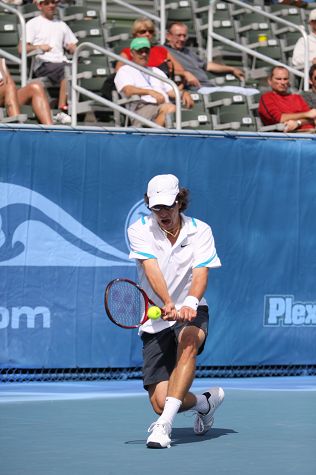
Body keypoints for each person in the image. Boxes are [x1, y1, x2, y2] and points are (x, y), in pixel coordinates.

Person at [127, 174, 224, 449]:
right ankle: (204, 403)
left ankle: (164, 426)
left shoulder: (200, 230)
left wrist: (190, 303)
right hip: (156, 317)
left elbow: (200, 274)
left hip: (192, 311)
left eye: (168, 206)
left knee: (189, 341)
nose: (163, 213)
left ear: (179, 202)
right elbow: (151, 268)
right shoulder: (139, 230)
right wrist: (167, 303)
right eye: (156, 207)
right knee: (160, 401)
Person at [18, 0, 78, 123]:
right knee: (67, 70)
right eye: (47, 2)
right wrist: (39, 47)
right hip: (43, 63)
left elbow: (72, 45)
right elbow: (21, 48)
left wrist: (73, 48)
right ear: (40, 5)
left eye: (54, 2)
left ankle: (70, 109)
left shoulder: (61, 24)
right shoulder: (33, 24)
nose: (51, 5)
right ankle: (63, 109)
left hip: (61, 63)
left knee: (74, 68)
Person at [114, 38, 193, 128]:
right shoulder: (125, 70)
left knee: (189, 114)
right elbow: (128, 90)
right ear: (132, 53)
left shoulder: (156, 71)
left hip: (163, 106)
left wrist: (183, 94)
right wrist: (150, 92)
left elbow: (171, 91)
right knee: (171, 109)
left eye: (146, 51)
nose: (144, 54)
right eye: (140, 51)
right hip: (141, 108)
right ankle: (155, 137)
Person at [115, 17, 195, 87]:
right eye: (143, 31)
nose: (147, 34)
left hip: (164, 87)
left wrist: (184, 74)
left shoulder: (161, 50)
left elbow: (179, 70)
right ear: (135, 34)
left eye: (150, 31)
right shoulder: (128, 52)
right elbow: (119, 73)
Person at [165, 22, 245, 90]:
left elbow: (207, 65)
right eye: (178, 35)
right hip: (195, 89)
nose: (182, 39)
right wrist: (185, 73)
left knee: (251, 92)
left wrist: (231, 69)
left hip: (209, 87)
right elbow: (162, 70)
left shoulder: (188, 51)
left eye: (184, 36)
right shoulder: (161, 50)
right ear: (168, 36)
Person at [258, 65, 316, 132]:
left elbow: (312, 117)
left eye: (285, 79)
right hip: (287, 136)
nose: (283, 82)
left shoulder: (297, 98)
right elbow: (280, 118)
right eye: (278, 79)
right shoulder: (267, 98)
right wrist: (306, 114)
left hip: (310, 133)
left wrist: (297, 123)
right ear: (270, 81)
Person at [0, 57, 53, 124]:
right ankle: (17, 127)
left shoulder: (1, 62)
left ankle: (50, 130)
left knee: (35, 87)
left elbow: (10, 83)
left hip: (5, 96)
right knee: (8, 87)